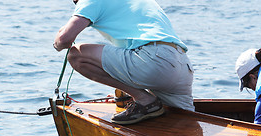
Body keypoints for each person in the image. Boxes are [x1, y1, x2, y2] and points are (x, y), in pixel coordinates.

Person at [53, 0, 194, 125]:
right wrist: (125, 93)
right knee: (185, 121)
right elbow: (132, 50)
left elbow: (65, 39)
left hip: (154, 62)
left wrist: (57, 42)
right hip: (181, 65)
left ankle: (144, 99)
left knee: (76, 55)